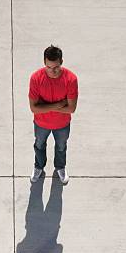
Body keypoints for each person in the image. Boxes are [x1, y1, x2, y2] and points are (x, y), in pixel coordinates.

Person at [28, 45, 79, 185]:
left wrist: (44, 106)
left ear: (61, 61)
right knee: (39, 145)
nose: (53, 71)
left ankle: (60, 167)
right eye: (49, 67)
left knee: (61, 147)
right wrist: (58, 105)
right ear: (44, 63)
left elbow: (71, 108)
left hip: (62, 124)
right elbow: (33, 108)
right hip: (41, 124)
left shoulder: (71, 79)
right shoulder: (35, 78)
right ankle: (38, 166)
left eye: (56, 67)